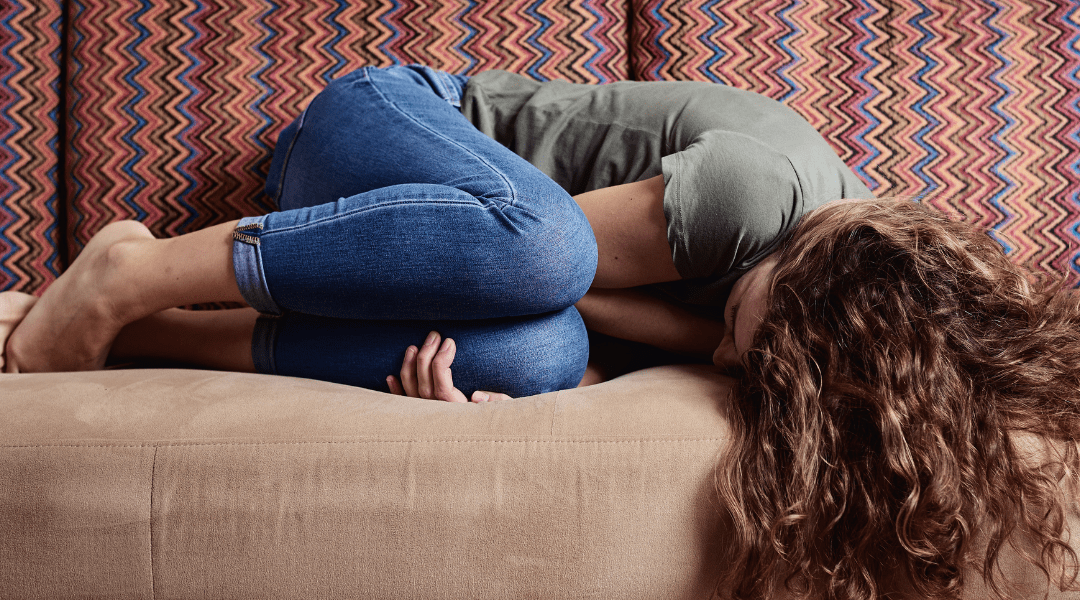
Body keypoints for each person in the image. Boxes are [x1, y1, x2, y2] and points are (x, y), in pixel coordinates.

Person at [4, 65, 1076, 598]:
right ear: (801, 274)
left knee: (539, 360)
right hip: (380, 142)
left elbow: (555, 334)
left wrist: (469, 383)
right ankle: (130, 276)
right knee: (546, 265)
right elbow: (539, 261)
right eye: (761, 339)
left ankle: (150, 343)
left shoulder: (807, 304)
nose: (733, 357)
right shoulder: (763, 195)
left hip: (415, 258)